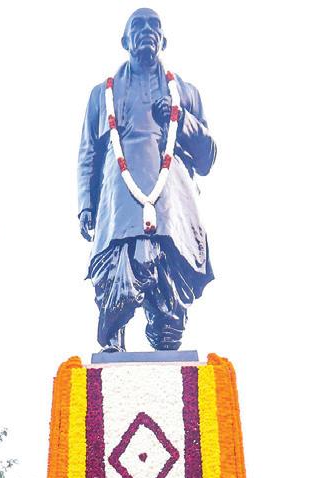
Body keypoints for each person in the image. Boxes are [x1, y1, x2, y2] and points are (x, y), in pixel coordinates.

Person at [77, 8, 216, 351]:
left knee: (168, 295)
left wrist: (178, 117)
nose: (146, 31)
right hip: (119, 203)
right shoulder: (102, 94)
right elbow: (89, 155)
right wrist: (86, 205)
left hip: (171, 204)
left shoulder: (185, 93)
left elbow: (208, 157)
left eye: (154, 25)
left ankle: (168, 349)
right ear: (125, 40)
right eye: (137, 25)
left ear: (163, 40)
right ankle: (112, 347)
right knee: (118, 283)